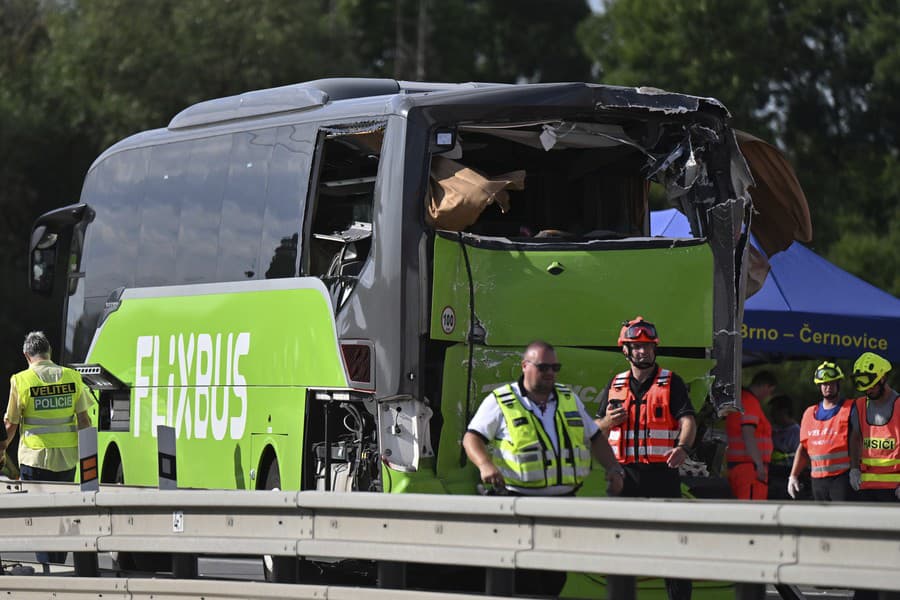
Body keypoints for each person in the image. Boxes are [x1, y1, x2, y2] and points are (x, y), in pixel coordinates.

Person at [463, 340, 624, 596]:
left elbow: (594, 436)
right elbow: (472, 437)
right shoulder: (502, 400)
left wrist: (613, 468)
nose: (550, 372)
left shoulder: (568, 397)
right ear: (525, 366)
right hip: (519, 503)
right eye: (544, 367)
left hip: (563, 504)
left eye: (555, 367)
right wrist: (485, 464)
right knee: (525, 578)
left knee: (554, 577)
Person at [594, 317, 696, 600]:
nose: (643, 352)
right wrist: (607, 422)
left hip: (661, 475)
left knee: (673, 547)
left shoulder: (671, 381)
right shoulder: (615, 384)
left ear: (655, 349)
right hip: (624, 476)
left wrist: (683, 447)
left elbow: (687, 419)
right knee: (619, 546)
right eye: (636, 346)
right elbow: (595, 432)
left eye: (647, 346)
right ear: (625, 350)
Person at [0, 331, 95, 572]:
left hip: (35, 459)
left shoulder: (20, 380)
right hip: (67, 458)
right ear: (49, 352)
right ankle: (57, 564)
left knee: (40, 516)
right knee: (63, 515)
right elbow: (84, 421)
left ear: (26, 355)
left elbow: (11, 425)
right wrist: (89, 461)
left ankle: (46, 568)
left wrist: (2, 451)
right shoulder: (73, 377)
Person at [788, 361, 859, 501]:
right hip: (817, 480)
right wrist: (793, 475)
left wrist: (855, 470)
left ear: (838, 384)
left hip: (842, 478)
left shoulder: (850, 409)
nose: (828, 387)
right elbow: (803, 448)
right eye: (824, 384)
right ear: (819, 386)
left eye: (832, 383)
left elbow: (856, 441)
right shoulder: (809, 413)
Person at [851, 352, 899, 502]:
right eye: (865, 388)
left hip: (895, 487)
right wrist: (854, 469)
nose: (868, 391)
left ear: (883, 378)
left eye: (872, 386)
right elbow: (855, 438)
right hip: (866, 486)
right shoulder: (859, 406)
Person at [725, 371, 776, 500]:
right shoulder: (750, 401)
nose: (768, 396)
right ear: (765, 386)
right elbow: (748, 432)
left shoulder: (742, 399)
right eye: (770, 391)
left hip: (741, 466)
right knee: (752, 511)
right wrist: (758, 464)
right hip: (749, 468)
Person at [768, 394, 802, 500]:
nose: (772, 415)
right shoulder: (773, 431)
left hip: (787, 478)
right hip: (772, 477)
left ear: (784, 411)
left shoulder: (797, 432)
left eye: (775, 411)